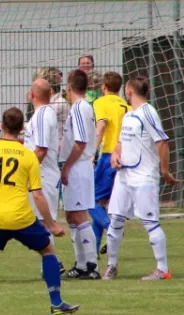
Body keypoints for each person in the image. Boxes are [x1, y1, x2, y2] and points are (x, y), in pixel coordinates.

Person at [0, 107, 79, 315]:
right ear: (22, 129)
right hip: (20, 218)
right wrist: (51, 224)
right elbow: (37, 195)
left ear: (1, 126)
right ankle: (56, 303)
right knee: (47, 250)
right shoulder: (27, 155)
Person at [104, 76, 179, 280]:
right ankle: (111, 266)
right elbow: (120, 141)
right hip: (124, 176)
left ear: (129, 92)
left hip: (143, 176)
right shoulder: (129, 115)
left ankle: (162, 269)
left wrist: (164, 171)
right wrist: (115, 155)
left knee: (150, 222)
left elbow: (162, 142)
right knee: (116, 220)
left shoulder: (148, 112)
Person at [60, 70, 100, 280]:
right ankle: (81, 263)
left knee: (80, 215)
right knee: (71, 215)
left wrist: (66, 166)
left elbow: (80, 142)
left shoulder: (78, 108)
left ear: (69, 87)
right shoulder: (83, 107)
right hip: (79, 165)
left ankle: (91, 265)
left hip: (78, 166)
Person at [24, 79, 65, 276]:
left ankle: (51, 266)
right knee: (42, 222)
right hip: (43, 174)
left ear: (32, 94)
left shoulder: (41, 116)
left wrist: (23, 171)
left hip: (42, 175)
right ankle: (50, 265)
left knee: (45, 223)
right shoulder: (44, 114)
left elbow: (40, 150)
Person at [89, 72, 130, 256]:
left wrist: (92, 152)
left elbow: (102, 125)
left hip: (108, 157)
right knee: (101, 203)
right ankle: (93, 252)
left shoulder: (100, 102)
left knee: (90, 201)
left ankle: (112, 229)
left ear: (104, 87)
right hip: (124, 157)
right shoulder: (126, 105)